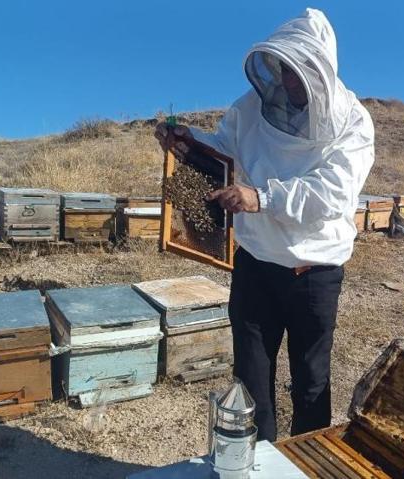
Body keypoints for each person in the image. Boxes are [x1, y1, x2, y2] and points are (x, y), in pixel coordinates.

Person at [155, 8, 374, 442]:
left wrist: (263, 197)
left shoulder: (353, 121)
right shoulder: (249, 109)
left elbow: (332, 195)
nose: (290, 82)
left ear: (321, 72)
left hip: (314, 272)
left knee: (311, 381)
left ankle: (304, 463)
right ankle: (257, 463)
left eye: (301, 73)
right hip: (254, 264)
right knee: (251, 377)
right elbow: (225, 152)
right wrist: (189, 143)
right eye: (285, 70)